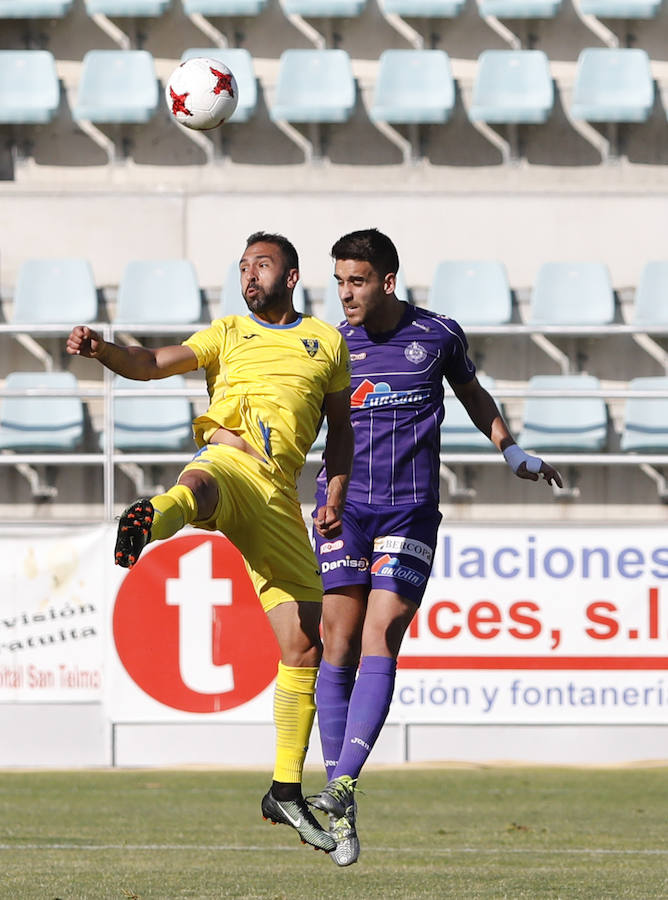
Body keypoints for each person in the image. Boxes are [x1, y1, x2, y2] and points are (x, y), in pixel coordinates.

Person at [66, 231, 353, 854]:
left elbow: (342, 433)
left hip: (279, 498)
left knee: (307, 643)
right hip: (230, 458)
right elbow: (149, 364)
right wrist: (100, 349)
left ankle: (284, 788)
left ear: (293, 275)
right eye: (243, 266)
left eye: (262, 264)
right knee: (201, 481)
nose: (249, 275)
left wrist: (332, 499)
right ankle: (152, 515)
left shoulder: (327, 342)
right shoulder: (226, 333)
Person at [308, 229, 563, 866]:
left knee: (381, 631)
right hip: (344, 506)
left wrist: (511, 449)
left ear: (387, 281)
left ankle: (342, 783)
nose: (347, 294)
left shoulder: (438, 335)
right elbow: (301, 417)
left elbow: (473, 394)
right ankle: (343, 811)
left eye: (357, 281)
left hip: (411, 512)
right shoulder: (331, 345)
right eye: (340, 281)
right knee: (335, 642)